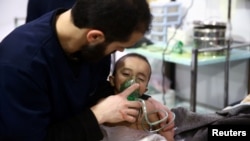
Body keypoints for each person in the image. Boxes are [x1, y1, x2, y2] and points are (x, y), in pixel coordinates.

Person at [0, 0, 174, 141]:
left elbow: (92, 90)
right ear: (95, 37)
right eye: (119, 47)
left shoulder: (91, 41)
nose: (119, 52)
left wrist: (144, 100)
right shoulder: (19, 66)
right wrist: (98, 114)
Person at [98, 53, 175, 141]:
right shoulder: (105, 104)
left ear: (145, 90)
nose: (132, 80)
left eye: (141, 78)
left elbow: (164, 129)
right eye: (126, 74)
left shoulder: (148, 107)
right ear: (112, 80)